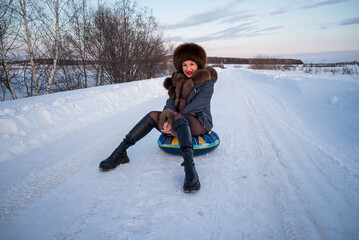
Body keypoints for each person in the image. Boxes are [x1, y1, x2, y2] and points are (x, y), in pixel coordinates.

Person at [99, 43, 217, 193]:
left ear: (198, 64)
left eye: (192, 64)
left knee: (181, 116)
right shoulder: (177, 81)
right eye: (184, 64)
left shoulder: (206, 82)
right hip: (179, 119)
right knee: (153, 115)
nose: (188, 68)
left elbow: (198, 105)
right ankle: (120, 152)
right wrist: (167, 117)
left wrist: (173, 119)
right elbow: (171, 102)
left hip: (199, 122)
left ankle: (190, 170)